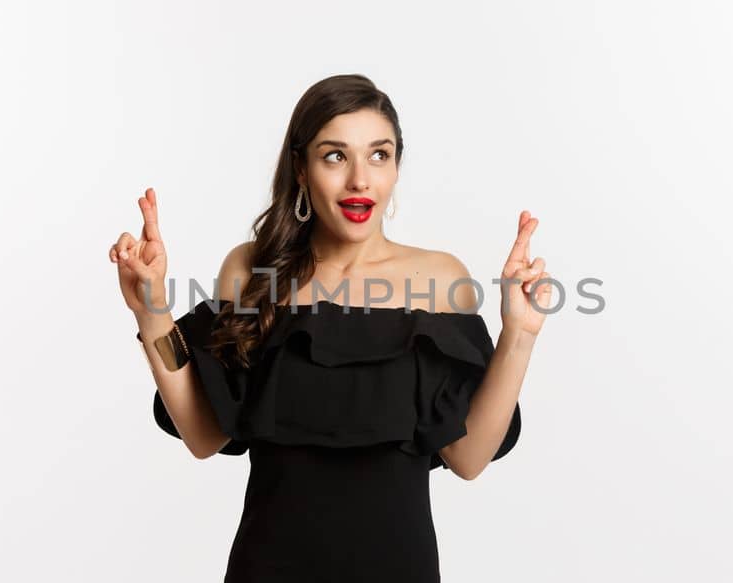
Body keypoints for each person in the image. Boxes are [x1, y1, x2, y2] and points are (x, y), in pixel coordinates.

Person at [109, 74, 551, 582]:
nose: (360, 179)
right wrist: (152, 312)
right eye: (335, 156)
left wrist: (520, 332)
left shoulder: (440, 277)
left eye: (379, 155)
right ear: (301, 167)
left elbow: (470, 457)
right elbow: (204, 434)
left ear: (397, 167)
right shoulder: (252, 271)